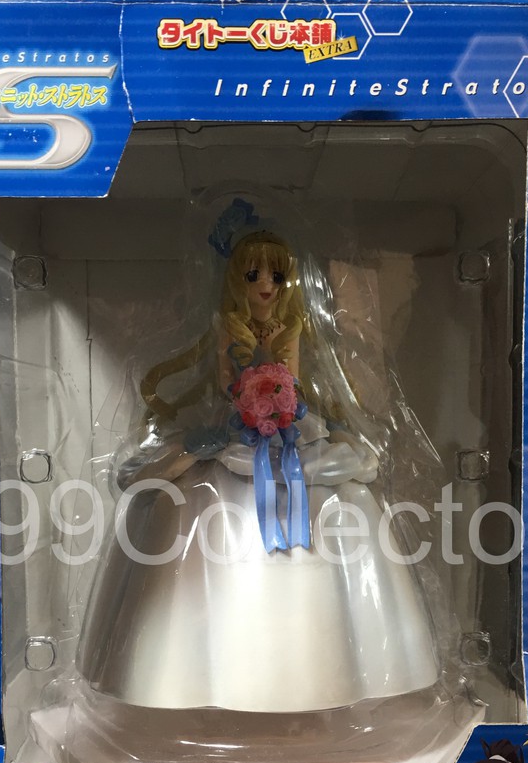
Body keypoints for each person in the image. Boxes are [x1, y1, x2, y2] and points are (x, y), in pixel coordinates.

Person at [75, 229, 442, 713]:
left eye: (276, 275)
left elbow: (294, 378)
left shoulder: (294, 326)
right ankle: (194, 674)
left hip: (290, 425)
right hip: (240, 424)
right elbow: (230, 381)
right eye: (253, 275)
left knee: (343, 499)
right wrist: (248, 402)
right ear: (238, 280)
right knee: (191, 507)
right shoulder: (228, 326)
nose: (265, 285)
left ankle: (326, 671)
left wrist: (299, 410)